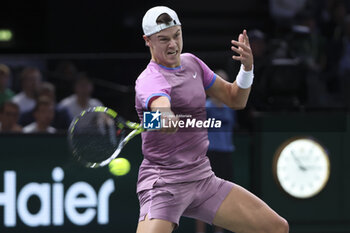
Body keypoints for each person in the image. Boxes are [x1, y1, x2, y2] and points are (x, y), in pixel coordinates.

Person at [135, 6, 288, 233]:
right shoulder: (150, 80)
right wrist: (165, 115)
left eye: (176, 35)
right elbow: (159, 102)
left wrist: (247, 69)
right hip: (164, 184)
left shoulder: (192, 64)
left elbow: (235, 99)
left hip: (202, 179)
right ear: (148, 41)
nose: (173, 45)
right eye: (163, 39)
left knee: (276, 228)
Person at [196, 69, 236, 233]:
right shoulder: (204, 107)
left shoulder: (231, 107)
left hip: (225, 154)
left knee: (222, 198)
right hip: (209, 155)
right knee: (201, 198)